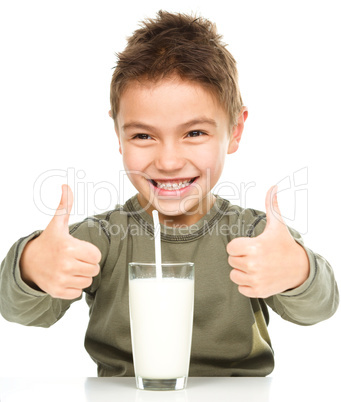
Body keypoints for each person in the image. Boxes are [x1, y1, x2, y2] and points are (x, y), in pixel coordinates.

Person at [0, 10, 338, 377]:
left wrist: (299, 271)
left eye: (194, 133)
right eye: (143, 136)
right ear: (118, 135)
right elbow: (18, 309)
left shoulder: (255, 235)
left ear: (235, 131)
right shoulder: (100, 239)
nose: (169, 161)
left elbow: (319, 308)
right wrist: (32, 265)